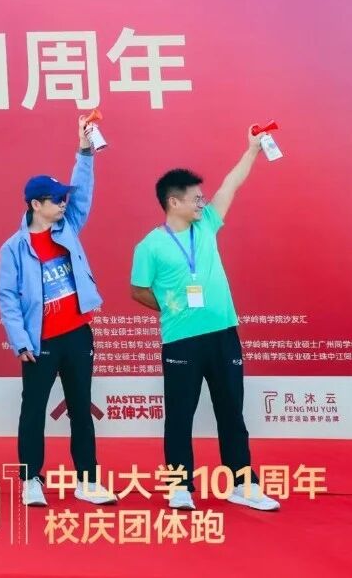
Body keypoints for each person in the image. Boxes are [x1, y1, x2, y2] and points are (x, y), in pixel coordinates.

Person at [130, 129, 280, 512]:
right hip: (181, 341)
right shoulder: (149, 246)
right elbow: (138, 290)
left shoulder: (207, 224)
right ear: (173, 201)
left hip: (224, 335)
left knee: (231, 412)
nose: (203, 202)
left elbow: (231, 185)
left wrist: (251, 149)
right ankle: (179, 487)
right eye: (196, 198)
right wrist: (171, 308)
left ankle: (243, 484)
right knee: (180, 416)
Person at [0, 116, 117, 508]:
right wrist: (21, 341)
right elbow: (7, 298)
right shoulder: (13, 248)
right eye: (55, 199)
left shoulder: (69, 227)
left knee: (81, 408)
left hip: (78, 334)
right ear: (36, 205)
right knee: (33, 410)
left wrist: (84, 150)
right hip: (39, 341)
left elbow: (83, 192)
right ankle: (30, 479)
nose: (64, 203)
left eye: (64, 198)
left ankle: (88, 480)